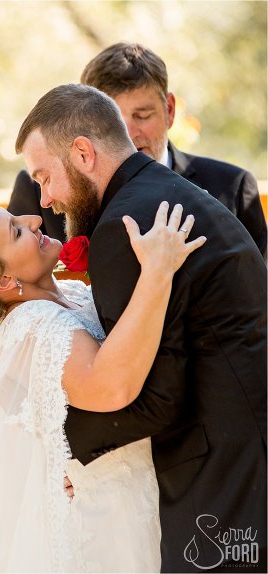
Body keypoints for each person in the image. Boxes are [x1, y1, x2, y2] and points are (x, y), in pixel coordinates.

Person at [16, 83, 266, 572]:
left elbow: (156, 395)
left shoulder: (124, 225)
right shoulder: (159, 193)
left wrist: (63, 442)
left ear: (83, 153)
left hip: (224, 471)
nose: (45, 200)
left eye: (45, 178)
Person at [0, 200, 204, 571]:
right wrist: (157, 271)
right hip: (108, 526)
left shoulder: (69, 294)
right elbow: (110, 387)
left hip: (139, 490)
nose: (34, 220)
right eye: (16, 231)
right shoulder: (33, 327)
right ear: (5, 281)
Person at [7, 43, 267, 258]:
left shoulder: (231, 188)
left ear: (170, 111)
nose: (128, 135)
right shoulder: (39, 194)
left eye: (142, 115)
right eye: (113, 123)